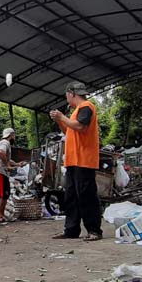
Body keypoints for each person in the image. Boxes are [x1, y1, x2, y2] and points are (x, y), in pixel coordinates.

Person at [49, 81, 103, 241]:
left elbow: (80, 127)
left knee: (86, 196)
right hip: (73, 161)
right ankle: (71, 230)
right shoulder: (75, 112)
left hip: (84, 160)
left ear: (71, 93)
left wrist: (61, 116)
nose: (66, 98)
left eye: (67, 95)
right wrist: (60, 120)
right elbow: (69, 129)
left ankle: (94, 230)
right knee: (71, 196)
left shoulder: (86, 106)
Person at [0, 127, 21, 222]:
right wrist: (7, 166)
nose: (14, 137)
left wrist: (17, 164)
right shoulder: (5, 143)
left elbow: (5, 157)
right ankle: (0, 215)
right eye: (14, 135)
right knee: (4, 194)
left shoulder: (0, 143)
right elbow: (1, 152)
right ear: (11, 135)